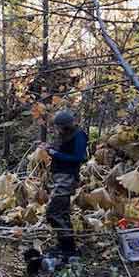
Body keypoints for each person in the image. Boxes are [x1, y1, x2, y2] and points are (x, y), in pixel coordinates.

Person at [41, 110, 88, 258]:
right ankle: (66, 247)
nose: (57, 130)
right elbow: (60, 149)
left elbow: (78, 157)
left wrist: (54, 154)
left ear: (66, 126)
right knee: (62, 212)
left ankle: (67, 247)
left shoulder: (79, 135)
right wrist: (48, 148)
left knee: (53, 212)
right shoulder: (64, 135)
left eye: (58, 127)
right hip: (60, 176)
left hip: (67, 177)